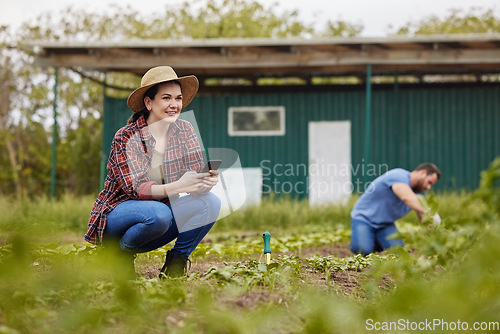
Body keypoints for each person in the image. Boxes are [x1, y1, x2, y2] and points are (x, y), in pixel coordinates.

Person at [85, 65, 221, 278]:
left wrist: (203, 183)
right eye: (166, 98)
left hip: (159, 219)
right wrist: (179, 186)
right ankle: (119, 253)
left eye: (178, 98)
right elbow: (136, 189)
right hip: (119, 214)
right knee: (159, 214)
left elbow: (193, 181)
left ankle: (176, 264)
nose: (174, 105)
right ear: (149, 103)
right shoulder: (126, 137)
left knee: (211, 203)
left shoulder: (185, 130)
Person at [349, 163, 441, 256]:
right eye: (429, 182)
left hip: (385, 224)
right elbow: (406, 197)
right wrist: (429, 212)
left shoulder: (419, 193)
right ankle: (362, 240)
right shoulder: (399, 176)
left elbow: (422, 216)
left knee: (398, 253)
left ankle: (373, 239)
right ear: (423, 173)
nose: (428, 187)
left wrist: (431, 238)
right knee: (363, 250)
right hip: (364, 219)